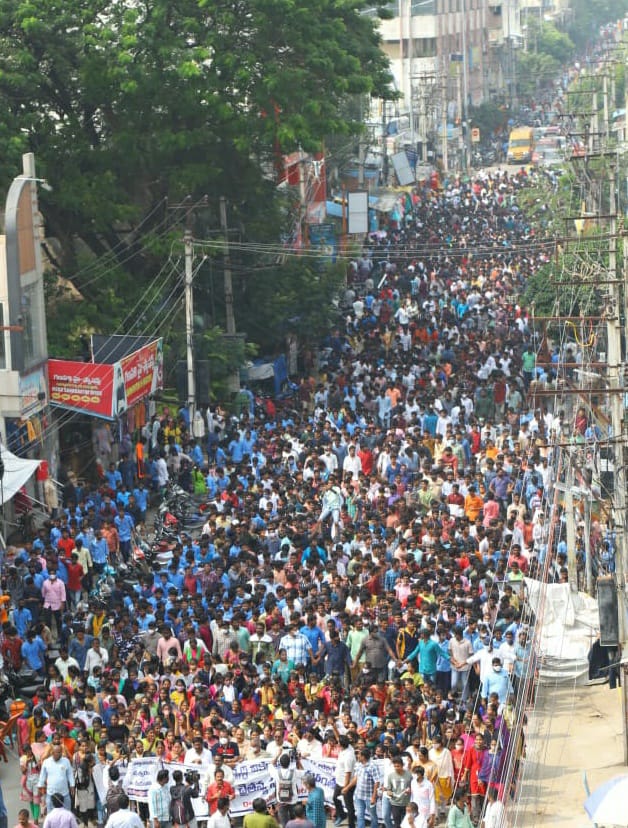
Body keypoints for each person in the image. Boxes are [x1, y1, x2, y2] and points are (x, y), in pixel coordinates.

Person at [38, 743, 75, 812]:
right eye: (57, 752)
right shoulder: (46, 762)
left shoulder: (66, 761)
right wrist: (40, 786)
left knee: (67, 812)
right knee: (51, 813)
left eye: (60, 752)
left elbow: (70, 774)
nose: (59, 754)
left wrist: (72, 785)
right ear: (52, 752)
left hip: (64, 793)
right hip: (51, 793)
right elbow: (42, 775)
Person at [350, 748, 380, 828]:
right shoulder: (359, 765)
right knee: (359, 816)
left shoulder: (373, 766)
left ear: (363, 757)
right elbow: (356, 778)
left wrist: (374, 797)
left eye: (359, 754)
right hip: (359, 795)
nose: (357, 756)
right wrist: (347, 788)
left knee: (373, 816)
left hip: (369, 797)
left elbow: (377, 782)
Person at [384, 756, 413, 828]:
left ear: (402, 765)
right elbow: (389, 789)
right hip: (395, 804)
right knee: (397, 824)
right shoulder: (390, 776)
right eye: (395, 766)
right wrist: (389, 792)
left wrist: (410, 790)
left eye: (398, 766)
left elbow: (413, 788)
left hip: (406, 803)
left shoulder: (409, 775)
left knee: (406, 824)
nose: (396, 768)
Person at [334, 734, 356, 828]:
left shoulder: (349, 756)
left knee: (349, 807)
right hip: (339, 782)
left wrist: (345, 788)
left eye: (338, 742)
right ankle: (342, 815)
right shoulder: (347, 747)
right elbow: (338, 736)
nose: (337, 743)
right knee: (335, 798)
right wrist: (334, 726)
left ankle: (351, 825)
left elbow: (348, 773)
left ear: (341, 744)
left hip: (346, 784)